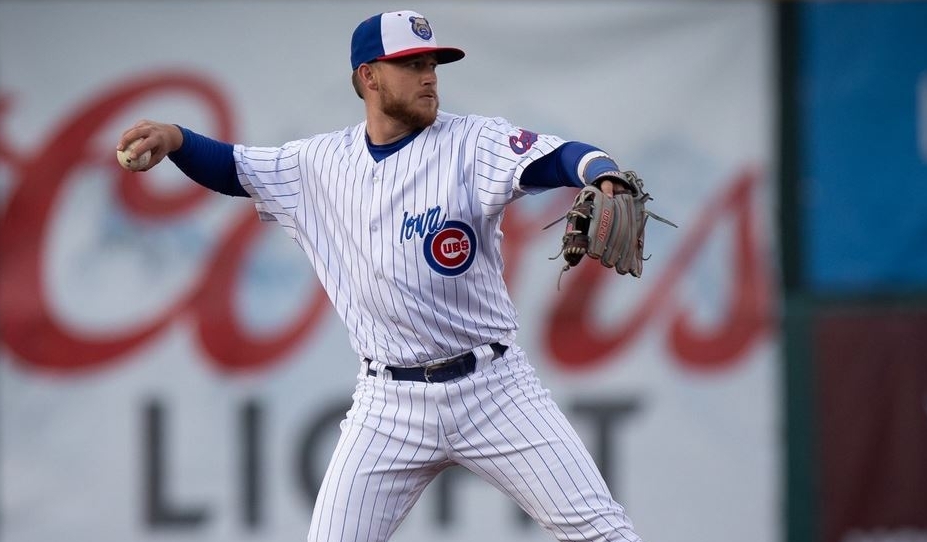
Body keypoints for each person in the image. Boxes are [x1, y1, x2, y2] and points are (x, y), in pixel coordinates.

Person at [118, 10, 643, 542]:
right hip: (388, 404)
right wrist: (178, 138)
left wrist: (600, 172)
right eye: (410, 64)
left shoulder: (472, 143)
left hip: (495, 388)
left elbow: (558, 158)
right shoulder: (318, 164)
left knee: (604, 533)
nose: (429, 75)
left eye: (432, 63)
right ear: (368, 76)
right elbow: (234, 168)